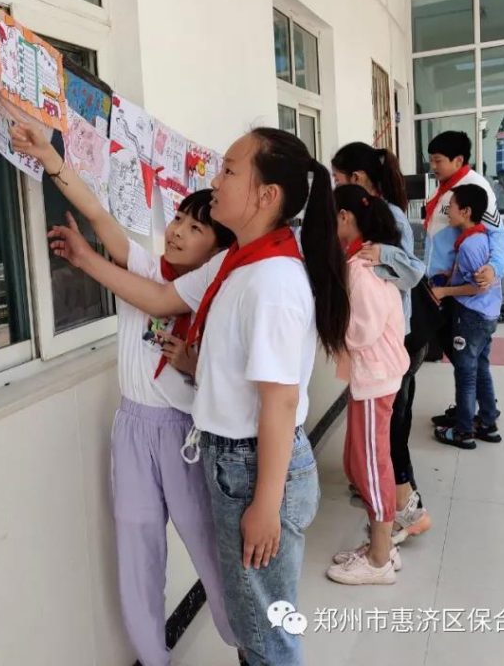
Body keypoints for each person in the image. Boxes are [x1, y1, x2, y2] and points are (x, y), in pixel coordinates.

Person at [47, 128, 348, 666]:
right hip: (230, 458)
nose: (215, 180)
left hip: (256, 465)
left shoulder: (272, 282)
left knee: (266, 633)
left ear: (265, 196)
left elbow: (278, 403)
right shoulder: (236, 264)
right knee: (256, 623)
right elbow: (161, 296)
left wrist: (266, 504)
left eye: (229, 170)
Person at [10, 124, 237, 666]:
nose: (177, 231)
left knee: (209, 547)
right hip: (133, 430)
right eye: (177, 219)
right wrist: (51, 160)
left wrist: (195, 364)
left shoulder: (217, 291)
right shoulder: (147, 268)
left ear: (218, 248)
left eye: (194, 227)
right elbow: (100, 218)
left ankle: (249, 644)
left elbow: (224, 373)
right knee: (137, 549)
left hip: (184, 435)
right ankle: (151, 657)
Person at [331, 143, 430, 545]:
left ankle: (398, 522)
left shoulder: (376, 241)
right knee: (383, 440)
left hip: (391, 345)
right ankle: (393, 515)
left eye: (337, 180)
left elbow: (410, 272)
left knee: (387, 441)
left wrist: (379, 256)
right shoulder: (376, 227)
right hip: (390, 344)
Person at [326, 185, 410, 584]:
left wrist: (329, 327)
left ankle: (378, 560)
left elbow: (362, 330)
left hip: (376, 376)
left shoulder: (360, 267)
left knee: (371, 467)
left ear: (344, 217)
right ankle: (381, 547)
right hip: (374, 376)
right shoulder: (364, 258)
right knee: (361, 461)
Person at [422, 132, 504, 426]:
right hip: (442, 283)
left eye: (438, 160)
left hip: (458, 292)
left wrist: (495, 267)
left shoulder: (473, 187)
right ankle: (477, 412)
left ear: (458, 160)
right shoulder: (445, 188)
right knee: (467, 359)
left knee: (466, 359)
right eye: (431, 159)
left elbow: (498, 236)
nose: (432, 166)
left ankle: (469, 419)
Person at [430, 184, 503, 448]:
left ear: (467, 211)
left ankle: (463, 430)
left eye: (453, 206)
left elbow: (477, 286)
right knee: (481, 368)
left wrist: (445, 290)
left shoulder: (471, 246)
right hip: (487, 315)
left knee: (465, 372)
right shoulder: (480, 239)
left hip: (471, 316)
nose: (448, 211)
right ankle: (488, 423)